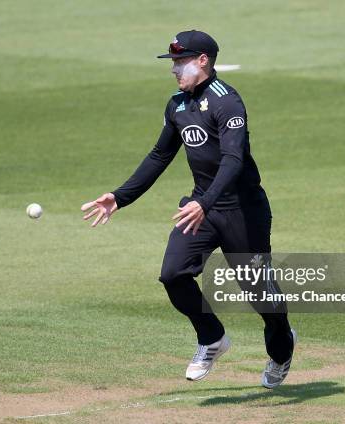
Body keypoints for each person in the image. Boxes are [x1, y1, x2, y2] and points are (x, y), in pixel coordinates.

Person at [81, 30, 296, 388]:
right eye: (173, 63)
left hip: (242, 210)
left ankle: (282, 349)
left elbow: (233, 159)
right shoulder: (176, 105)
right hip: (202, 208)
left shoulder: (228, 102)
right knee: (173, 274)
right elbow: (159, 156)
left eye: (181, 62)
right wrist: (120, 197)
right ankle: (212, 338)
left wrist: (205, 201)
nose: (174, 70)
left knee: (258, 291)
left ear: (203, 61)